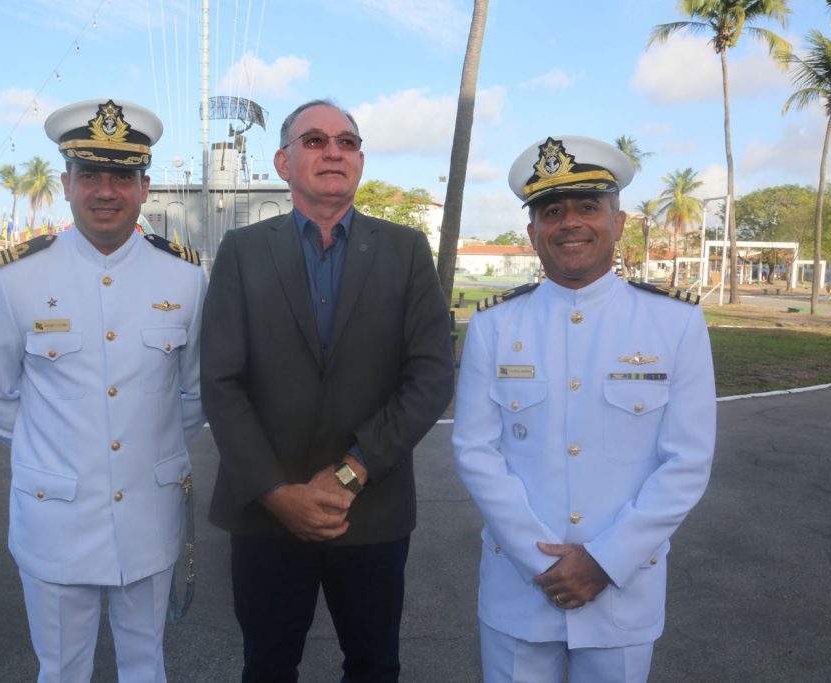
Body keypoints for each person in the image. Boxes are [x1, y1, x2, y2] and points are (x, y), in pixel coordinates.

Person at [200, 99, 455, 683]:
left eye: (347, 141)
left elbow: (431, 373)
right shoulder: (241, 253)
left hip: (369, 510)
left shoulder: (406, 250)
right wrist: (275, 492)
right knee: (267, 665)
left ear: (360, 160)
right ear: (283, 162)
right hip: (267, 515)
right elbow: (221, 381)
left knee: (373, 665)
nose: (333, 151)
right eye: (314, 141)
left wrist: (349, 473)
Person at [453, 135, 716, 682]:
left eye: (587, 207)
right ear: (532, 234)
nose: (569, 222)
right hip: (519, 591)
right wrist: (543, 561)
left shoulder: (675, 324)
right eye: (552, 212)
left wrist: (604, 560)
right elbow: (476, 451)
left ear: (618, 223)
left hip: (622, 588)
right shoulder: (493, 326)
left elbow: (687, 460)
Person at [0, 98, 206, 683]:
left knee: (146, 665)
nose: (106, 191)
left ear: (144, 187)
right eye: (90, 175)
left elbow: (196, 392)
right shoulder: (18, 275)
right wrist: (54, 451)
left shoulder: (187, 275)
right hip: (56, 515)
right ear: (67, 184)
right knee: (62, 670)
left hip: (149, 510)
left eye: (122, 176)